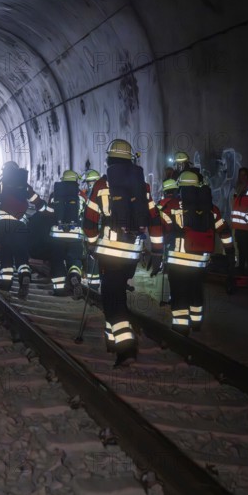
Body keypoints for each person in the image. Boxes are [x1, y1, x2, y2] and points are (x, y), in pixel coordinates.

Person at [83, 139, 158, 368]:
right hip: (131, 256)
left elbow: (89, 220)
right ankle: (113, 340)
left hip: (109, 254)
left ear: (109, 159)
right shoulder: (142, 187)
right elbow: (154, 219)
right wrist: (158, 251)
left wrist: (92, 244)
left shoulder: (101, 185)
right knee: (117, 296)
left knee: (112, 301)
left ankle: (126, 348)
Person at [159, 171, 235, 335]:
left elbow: (161, 229)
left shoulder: (170, 206)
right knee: (196, 290)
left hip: (178, 260)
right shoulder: (210, 208)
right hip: (199, 261)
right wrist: (230, 252)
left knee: (179, 293)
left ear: (179, 186)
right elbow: (224, 231)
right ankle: (196, 323)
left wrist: (158, 250)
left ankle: (180, 327)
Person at [0, 160, 45, 298]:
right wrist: (46, 211)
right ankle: (24, 274)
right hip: (21, 224)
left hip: (4, 224)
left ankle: (5, 287)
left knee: (6, 253)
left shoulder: (0, 184)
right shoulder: (24, 185)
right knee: (20, 252)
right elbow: (38, 202)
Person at [48, 170, 84, 299]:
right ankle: (74, 276)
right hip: (75, 236)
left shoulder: (55, 195)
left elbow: (49, 214)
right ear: (76, 181)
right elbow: (85, 215)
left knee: (57, 261)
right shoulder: (80, 196)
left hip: (57, 236)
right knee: (74, 260)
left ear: (63, 180)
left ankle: (59, 290)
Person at [231, 167, 248, 274]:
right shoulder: (239, 189)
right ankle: (241, 268)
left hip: (247, 227)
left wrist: (245, 219)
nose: (242, 177)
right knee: (241, 249)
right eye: (241, 175)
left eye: (244, 175)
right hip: (238, 227)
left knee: (247, 250)